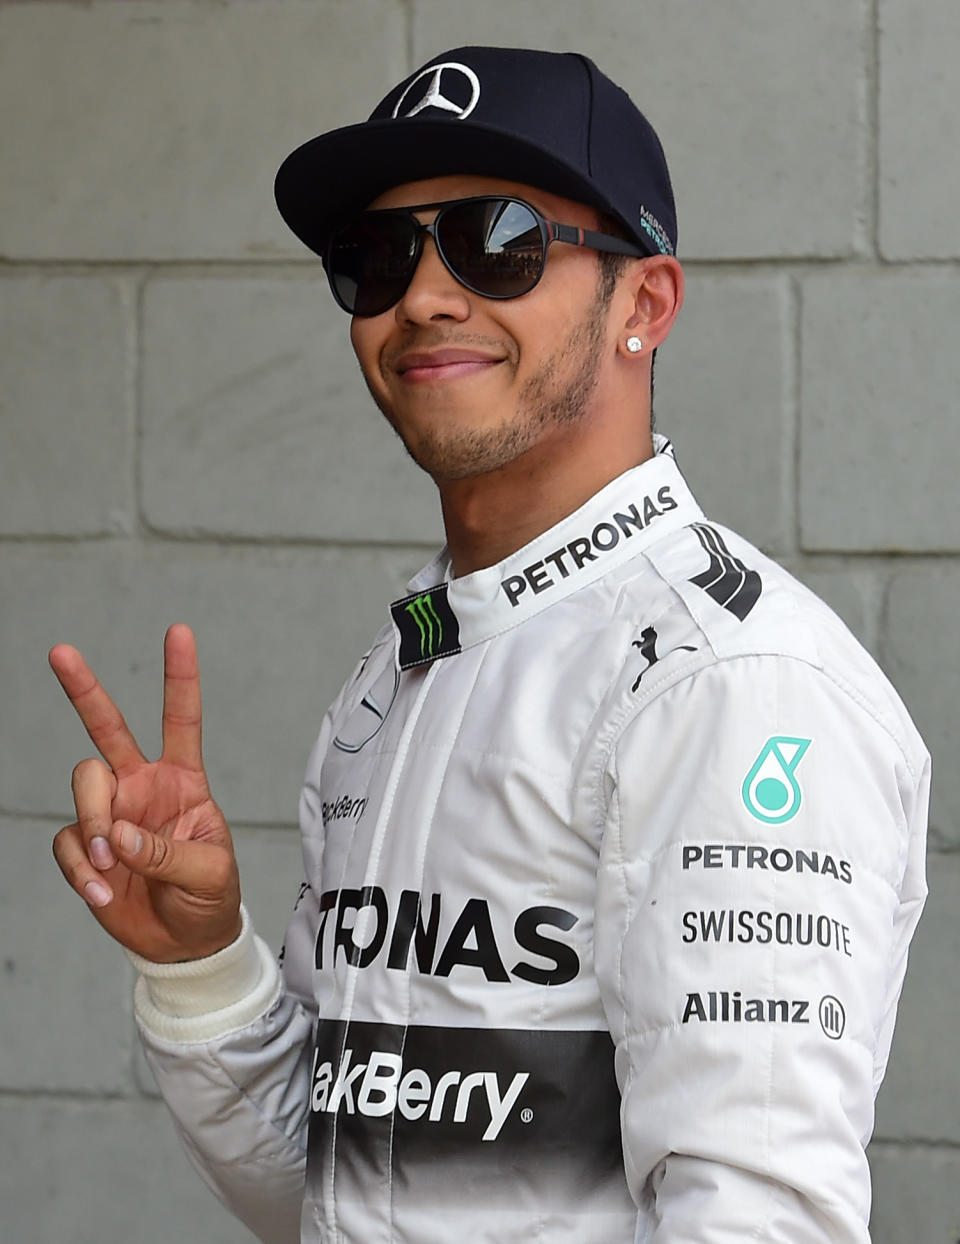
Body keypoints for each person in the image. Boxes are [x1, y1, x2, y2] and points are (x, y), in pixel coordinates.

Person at [49, 46, 930, 1244]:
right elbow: (350, 1195)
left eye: (497, 237)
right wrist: (202, 963)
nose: (422, 294)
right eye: (379, 255)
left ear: (646, 303)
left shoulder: (731, 684)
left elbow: (756, 1218)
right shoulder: (406, 663)